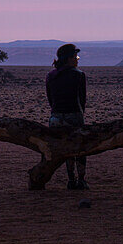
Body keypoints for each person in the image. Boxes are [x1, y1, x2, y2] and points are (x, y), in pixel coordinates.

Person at [46, 42, 88, 190]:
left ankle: (71, 179)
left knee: (66, 150)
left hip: (55, 118)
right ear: (69, 58)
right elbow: (82, 100)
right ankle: (81, 180)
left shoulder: (50, 75)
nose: (77, 59)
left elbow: (50, 98)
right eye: (76, 56)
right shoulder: (79, 75)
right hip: (74, 115)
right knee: (81, 148)